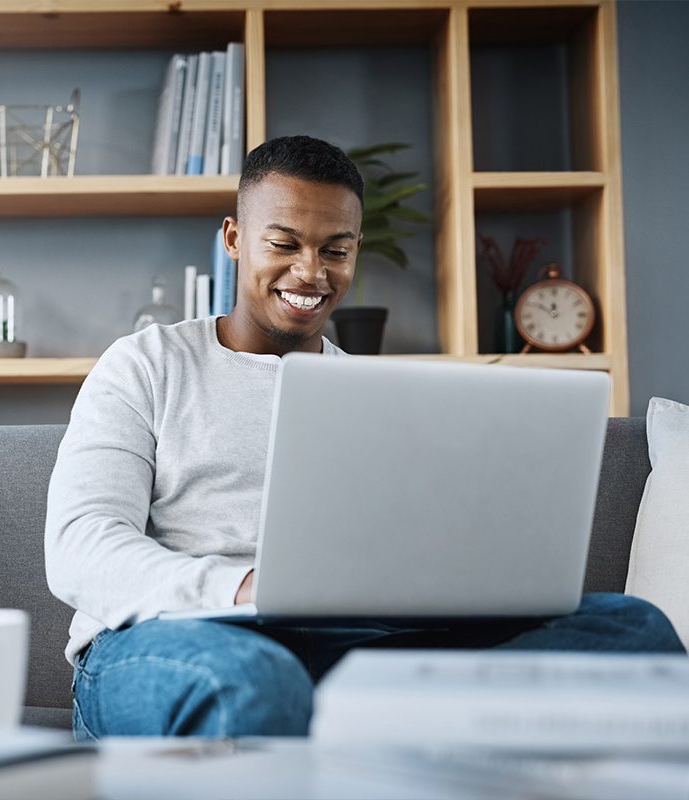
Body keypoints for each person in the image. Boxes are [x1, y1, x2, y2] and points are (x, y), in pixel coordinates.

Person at [43, 135, 684, 740]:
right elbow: (80, 547)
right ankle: (389, 721)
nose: (311, 272)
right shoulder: (146, 362)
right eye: (284, 244)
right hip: (169, 639)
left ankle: (370, 722)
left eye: (335, 251)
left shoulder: (370, 394)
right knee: (248, 679)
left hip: (347, 640)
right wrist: (243, 589)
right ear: (234, 239)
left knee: (631, 629)